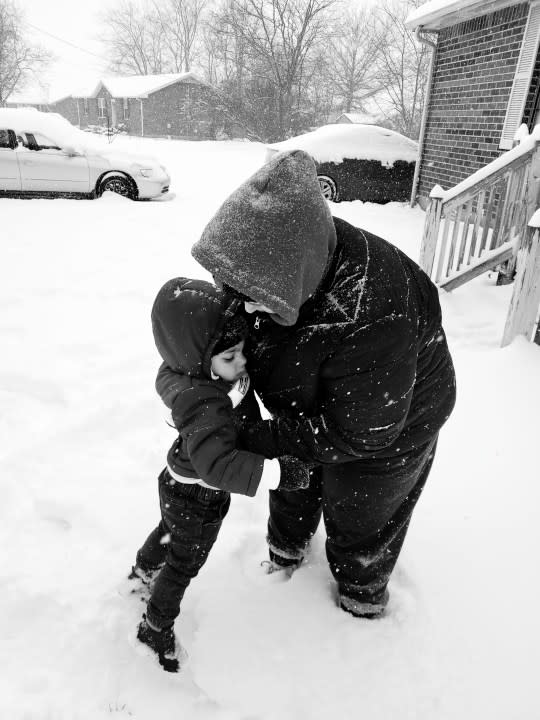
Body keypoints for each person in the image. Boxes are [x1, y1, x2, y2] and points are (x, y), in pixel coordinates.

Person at [159, 149, 457, 620]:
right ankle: (285, 551)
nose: (241, 307)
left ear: (293, 278)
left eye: (255, 300)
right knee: (293, 480)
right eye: (233, 289)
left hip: (388, 426)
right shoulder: (263, 273)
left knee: (361, 512)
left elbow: (359, 434)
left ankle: (360, 594)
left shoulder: (378, 310)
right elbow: (211, 347)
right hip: (306, 403)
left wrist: (252, 437)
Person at [131, 277, 309, 672]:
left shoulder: (192, 377)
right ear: (198, 358)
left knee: (169, 530)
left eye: (240, 351)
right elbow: (218, 464)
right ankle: (155, 626)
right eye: (230, 357)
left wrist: (229, 390)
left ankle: (142, 570)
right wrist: (277, 473)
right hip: (198, 495)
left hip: (177, 483)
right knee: (184, 563)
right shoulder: (204, 403)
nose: (242, 362)